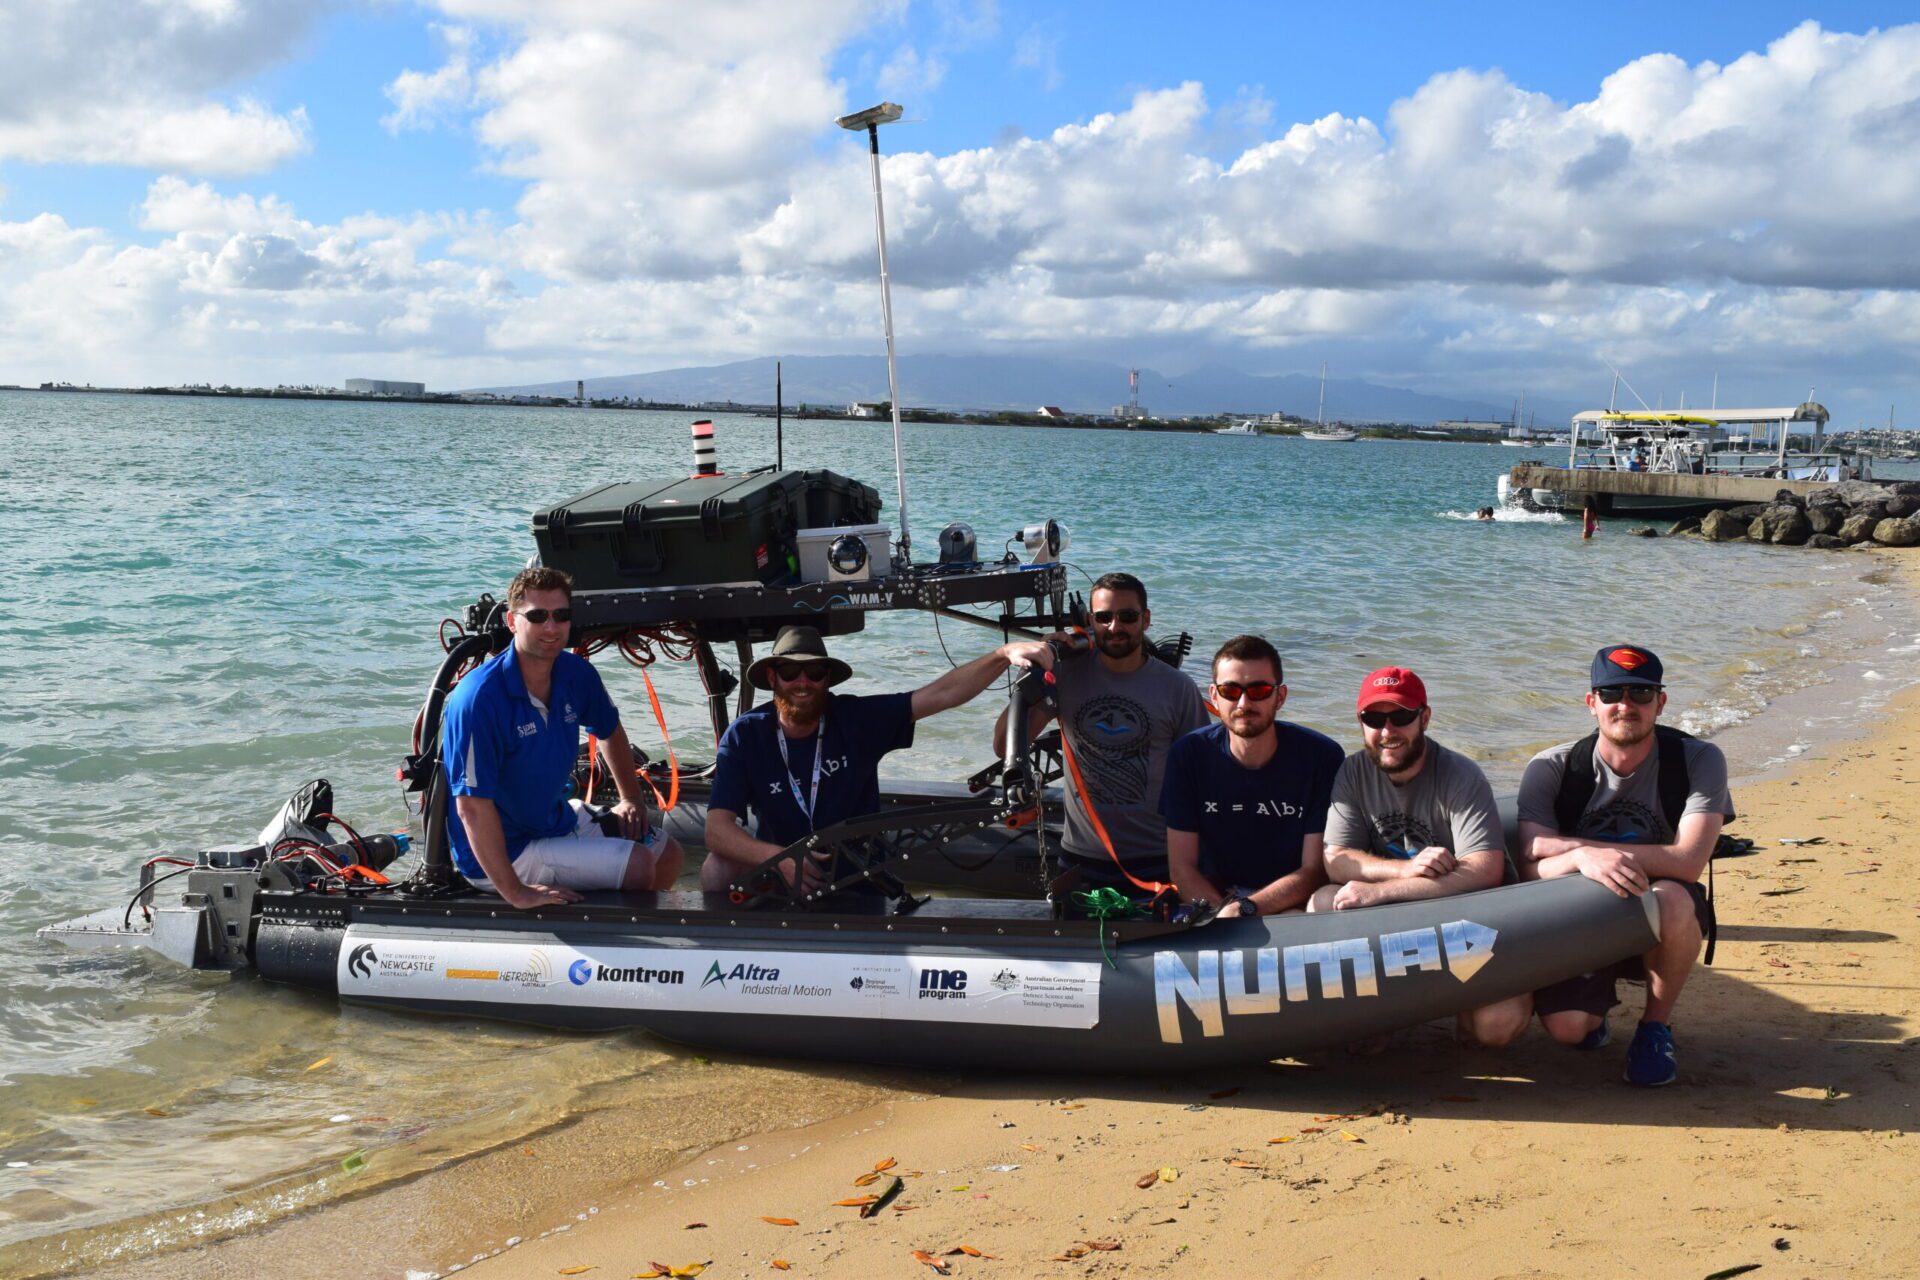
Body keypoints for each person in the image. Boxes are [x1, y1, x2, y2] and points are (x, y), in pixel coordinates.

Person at [1516, 644, 1734, 1087]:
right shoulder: (1553, 767)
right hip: (1581, 912)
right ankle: (1594, 1017)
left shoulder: (1697, 760)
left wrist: (1589, 853)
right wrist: (1581, 858)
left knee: (1672, 896)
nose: (1626, 704)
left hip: (1659, 912)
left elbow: (1689, 862)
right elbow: (1528, 863)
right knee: (1568, 1030)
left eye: (1641, 692)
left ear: (1661, 701)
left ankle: (1655, 1028)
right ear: (1591, 701)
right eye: (1612, 692)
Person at [702, 624, 1050, 892]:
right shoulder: (746, 734)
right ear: (772, 677)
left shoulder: (856, 718)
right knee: (716, 868)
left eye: (815, 673)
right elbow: (717, 831)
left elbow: (941, 694)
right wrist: (778, 860)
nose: (803, 683)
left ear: (828, 678)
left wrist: (1002, 654)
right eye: (791, 673)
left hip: (858, 871)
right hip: (781, 869)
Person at [1312, 666, 1530, 1047]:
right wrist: (1405, 871)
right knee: (1322, 901)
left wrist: (1380, 891)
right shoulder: (1352, 771)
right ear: (1360, 722)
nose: (1387, 731)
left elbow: (1485, 870)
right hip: (1395, 922)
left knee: (1496, 1027)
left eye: (1401, 716)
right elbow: (1336, 859)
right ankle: (1371, 1014)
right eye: (1374, 718)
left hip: (1466, 924)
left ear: (1424, 718)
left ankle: (1456, 1004)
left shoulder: (1461, 776)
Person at [442, 567, 685, 910]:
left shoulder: (576, 673)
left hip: (553, 820)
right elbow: (470, 808)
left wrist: (631, 797)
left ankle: (651, 937)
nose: (551, 627)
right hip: (507, 851)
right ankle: (613, 950)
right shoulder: (478, 699)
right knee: (638, 864)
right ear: (512, 621)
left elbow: (609, 729)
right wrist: (517, 892)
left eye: (561, 616)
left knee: (667, 853)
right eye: (538, 616)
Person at [994, 573, 1211, 897]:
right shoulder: (1065, 675)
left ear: (1146, 619)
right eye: (1104, 617)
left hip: (1160, 859)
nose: (1115, 626)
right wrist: (1040, 670)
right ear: (1090, 621)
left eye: (1127, 616)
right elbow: (1003, 745)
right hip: (1081, 860)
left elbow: (1202, 774)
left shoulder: (1177, 688)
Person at [1159, 635, 1343, 917]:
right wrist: (1221, 914)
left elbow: (1313, 870)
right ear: (1214, 696)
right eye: (1231, 691)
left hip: (1288, 903)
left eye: (1259, 690)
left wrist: (1248, 909)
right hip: (1213, 900)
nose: (1244, 702)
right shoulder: (1188, 755)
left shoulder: (1321, 757)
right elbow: (1182, 867)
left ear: (1279, 697)